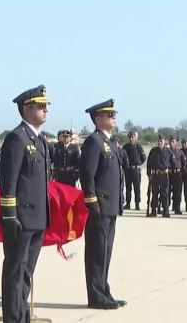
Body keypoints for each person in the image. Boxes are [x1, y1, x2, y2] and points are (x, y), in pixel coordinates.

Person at [0, 85, 51, 322]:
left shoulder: (40, 140)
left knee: (27, 273)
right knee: (15, 272)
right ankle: (13, 318)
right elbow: (8, 181)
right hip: (20, 218)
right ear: (26, 109)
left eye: (45, 106)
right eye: (40, 106)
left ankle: (22, 316)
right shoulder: (17, 138)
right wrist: (9, 215)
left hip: (37, 218)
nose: (45, 110)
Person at [80, 99, 126, 310]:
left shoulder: (109, 142)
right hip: (99, 207)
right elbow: (87, 176)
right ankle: (96, 296)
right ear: (98, 118)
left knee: (106, 252)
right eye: (109, 114)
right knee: (97, 253)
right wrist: (92, 203)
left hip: (111, 207)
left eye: (114, 113)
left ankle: (104, 291)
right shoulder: (94, 142)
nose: (113, 116)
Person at [146, 134, 173, 218]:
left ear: (165, 142)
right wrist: (149, 174)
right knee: (154, 193)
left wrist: (170, 172)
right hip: (155, 175)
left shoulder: (168, 151)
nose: (159, 142)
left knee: (164, 194)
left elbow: (173, 162)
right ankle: (153, 210)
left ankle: (165, 210)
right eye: (158, 141)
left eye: (161, 141)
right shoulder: (153, 151)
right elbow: (149, 163)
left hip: (164, 175)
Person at [122, 131, 146, 210]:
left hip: (136, 170)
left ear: (135, 138)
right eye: (130, 137)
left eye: (132, 137)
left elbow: (144, 157)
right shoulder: (125, 147)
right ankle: (128, 203)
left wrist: (138, 164)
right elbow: (122, 157)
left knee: (137, 188)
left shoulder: (138, 147)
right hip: (128, 170)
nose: (131, 139)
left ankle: (137, 204)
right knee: (128, 188)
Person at [168, 136, 186, 214]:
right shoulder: (167, 151)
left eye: (173, 142)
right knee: (167, 191)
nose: (172, 143)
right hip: (168, 174)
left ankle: (177, 208)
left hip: (177, 174)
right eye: (170, 141)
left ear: (176, 143)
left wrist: (183, 172)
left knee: (177, 192)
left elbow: (184, 163)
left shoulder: (180, 152)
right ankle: (165, 207)